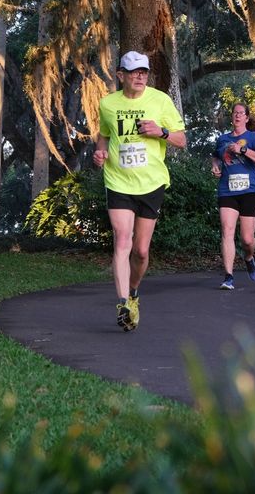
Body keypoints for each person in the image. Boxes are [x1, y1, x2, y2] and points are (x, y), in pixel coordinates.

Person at [93, 51, 186, 332]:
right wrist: (99, 153)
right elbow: (104, 135)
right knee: (122, 240)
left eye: (143, 71)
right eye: (133, 72)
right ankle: (122, 304)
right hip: (119, 182)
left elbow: (182, 139)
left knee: (141, 251)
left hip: (152, 183)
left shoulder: (160, 101)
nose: (140, 76)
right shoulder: (108, 104)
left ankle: (133, 293)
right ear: (120, 75)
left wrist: (162, 132)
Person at [211, 102, 255, 290]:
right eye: (234, 113)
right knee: (227, 230)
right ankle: (228, 276)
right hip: (227, 191)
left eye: (241, 113)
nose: (237, 116)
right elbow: (216, 155)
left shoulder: (254, 137)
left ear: (246, 117)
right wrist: (215, 165)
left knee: (246, 239)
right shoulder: (223, 139)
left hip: (250, 191)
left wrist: (243, 150)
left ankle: (249, 257)